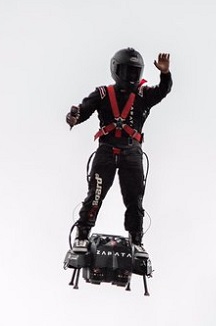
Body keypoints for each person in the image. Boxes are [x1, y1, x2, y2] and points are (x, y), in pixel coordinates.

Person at [66, 48, 172, 257]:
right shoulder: (103, 94)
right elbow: (81, 113)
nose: (131, 76)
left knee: (135, 199)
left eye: (135, 72)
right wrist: (73, 117)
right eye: (127, 71)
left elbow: (163, 90)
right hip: (106, 151)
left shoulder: (143, 95)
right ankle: (82, 235)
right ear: (116, 70)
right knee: (95, 196)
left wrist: (165, 73)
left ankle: (136, 240)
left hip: (132, 152)